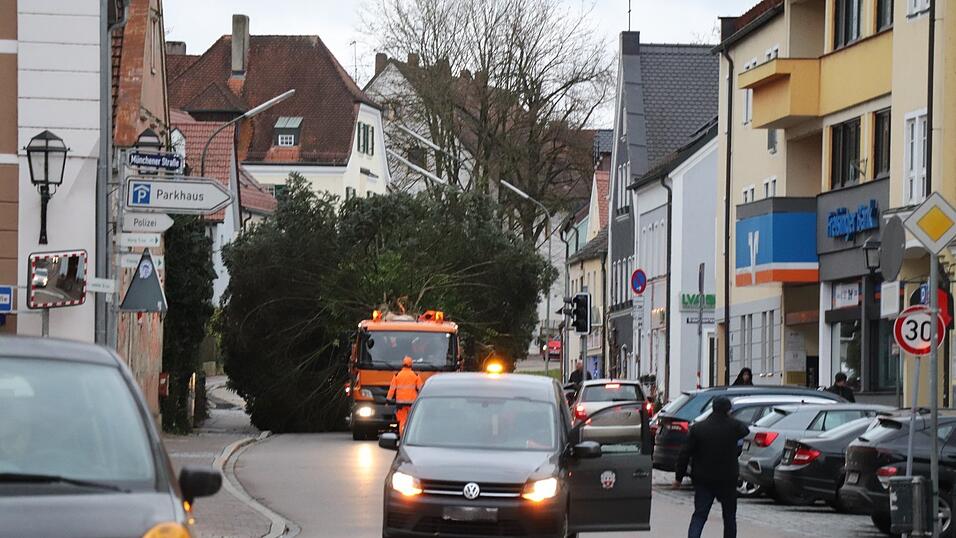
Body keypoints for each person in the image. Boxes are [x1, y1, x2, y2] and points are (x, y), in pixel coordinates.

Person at [674, 396, 749, 538]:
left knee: (700, 515)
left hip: (703, 479)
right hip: (727, 479)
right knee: (729, 517)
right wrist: (731, 419)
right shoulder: (734, 427)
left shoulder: (698, 428)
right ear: (728, 410)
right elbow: (745, 430)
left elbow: (684, 454)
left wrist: (679, 477)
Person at [387, 356, 424, 436]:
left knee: (402, 421)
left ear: (403, 364)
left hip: (400, 404)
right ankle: (411, 436)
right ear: (411, 365)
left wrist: (388, 400)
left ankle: (402, 436)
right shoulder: (415, 375)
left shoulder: (397, 375)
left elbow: (392, 389)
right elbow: (420, 389)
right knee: (412, 421)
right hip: (412, 403)